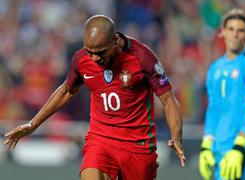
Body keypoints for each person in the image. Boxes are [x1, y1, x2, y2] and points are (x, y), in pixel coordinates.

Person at [3, 15, 186, 180]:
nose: (94, 58)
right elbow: (67, 90)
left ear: (115, 41)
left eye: (100, 53)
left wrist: (176, 137)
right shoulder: (81, 59)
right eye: (89, 51)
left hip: (137, 144)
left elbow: (169, 100)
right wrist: (33, 124)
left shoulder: (143, 58)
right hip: (101, 139)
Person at [198, 9, 245, 180]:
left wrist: (240, 144)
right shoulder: (215, 67)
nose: (235, 35)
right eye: (230, 29)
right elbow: (213, 108)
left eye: (241, 30)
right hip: (218, 147)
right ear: (222, 32)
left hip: (242, 148)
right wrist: (206, 144)